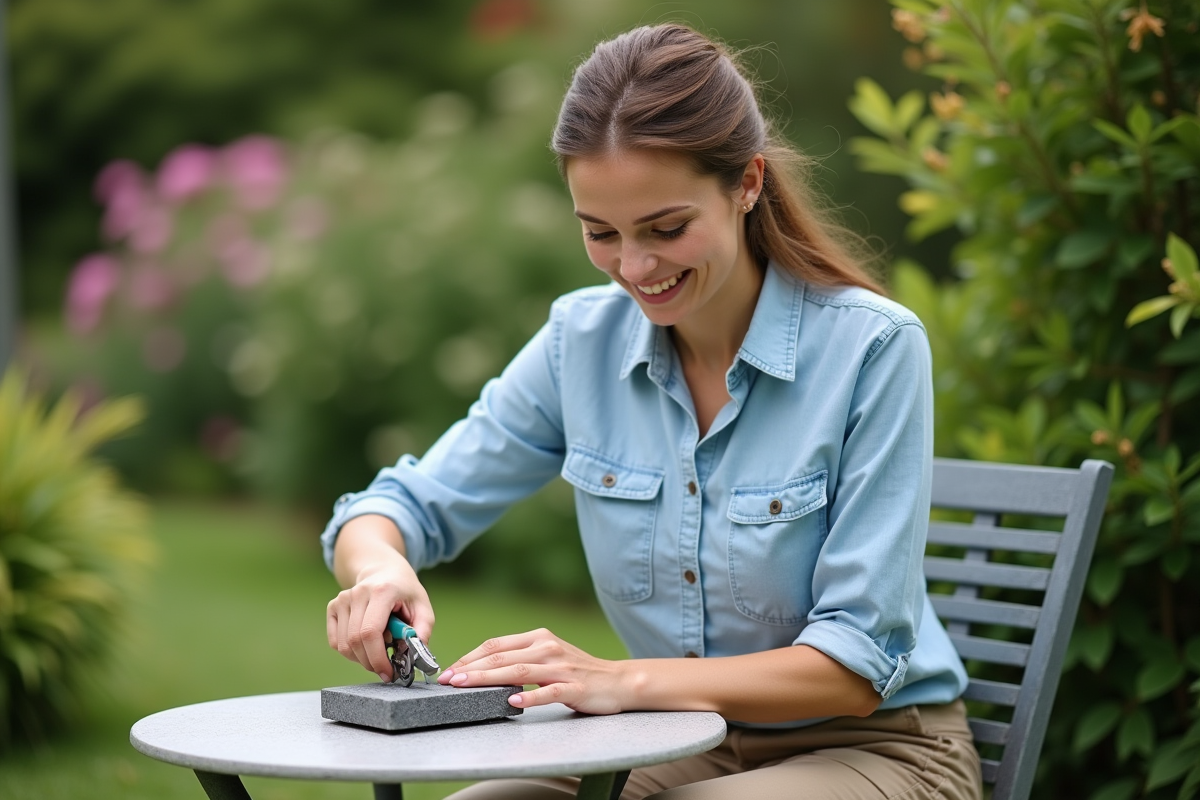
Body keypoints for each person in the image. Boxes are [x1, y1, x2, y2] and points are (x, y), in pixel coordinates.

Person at [322, 22, 982, 800]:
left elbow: (854, 666)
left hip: (876, 748)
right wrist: (380, 568)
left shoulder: (873, 350)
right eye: (600, 233)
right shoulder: (582, 342)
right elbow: (400, 506)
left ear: (747, 183)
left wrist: (614, 680)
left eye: (666, 229)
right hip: (674, 736)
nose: (634, 268)